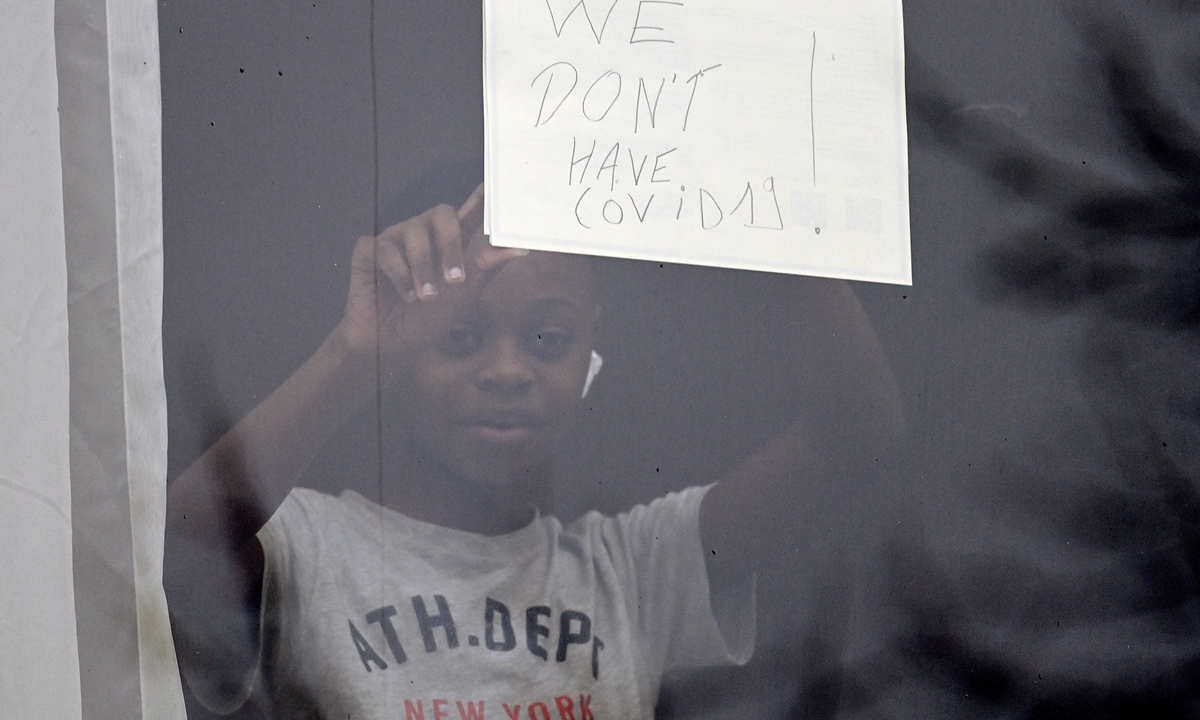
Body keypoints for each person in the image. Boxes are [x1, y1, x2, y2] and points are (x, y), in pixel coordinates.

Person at [163, 184, 903, 719]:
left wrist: (760, 205)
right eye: (458, 338)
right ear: (398, 360)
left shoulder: (631, 571)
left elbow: (857, 441)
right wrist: (356, 355)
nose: (508, 371)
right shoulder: (308, 546)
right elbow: (161, 549)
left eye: (548, 339)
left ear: (591, 348)